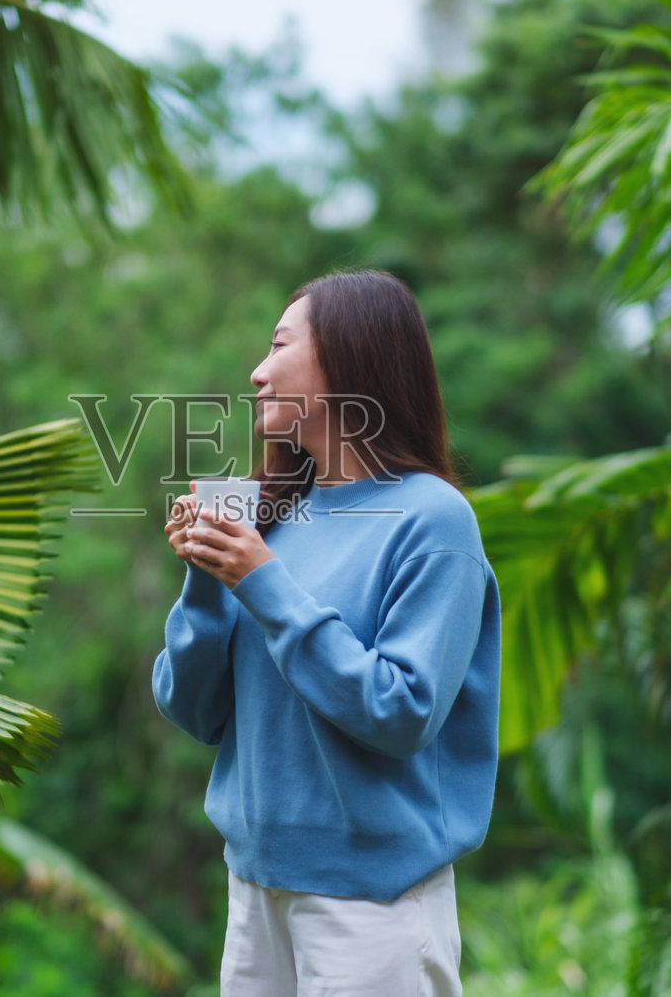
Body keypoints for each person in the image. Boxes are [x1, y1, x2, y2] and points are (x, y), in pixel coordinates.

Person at [152, 270, 502, 996]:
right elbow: (193, 709)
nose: (256, 370)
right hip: (254, 889)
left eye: (279, 344)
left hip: (373, 906)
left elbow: (401, 709)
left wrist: (262, 580)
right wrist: (206, 573)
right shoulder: (265, 512)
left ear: (349, 358)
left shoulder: (433, 521)